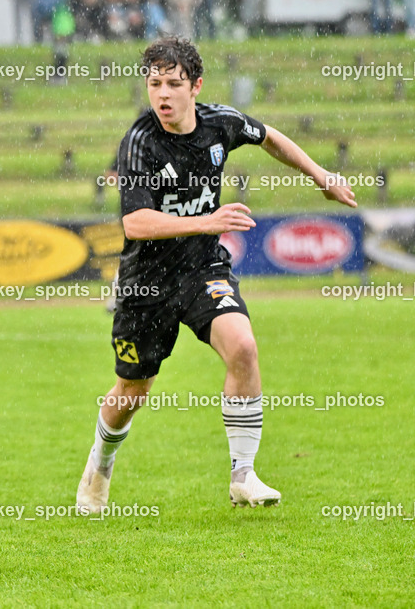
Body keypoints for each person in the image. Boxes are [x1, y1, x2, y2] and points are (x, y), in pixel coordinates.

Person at [75, 36, 356, 514]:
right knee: (133, 390)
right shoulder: (139, 142)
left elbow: (269, 137)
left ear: (195, 86)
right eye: (154, 83)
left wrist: (320, 175)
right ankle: (99, 467)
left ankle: (242, 475)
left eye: (173, 84)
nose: (162, 94)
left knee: (243, 348)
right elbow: (135, 224)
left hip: (202, 269)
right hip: (147, 281)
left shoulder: (220, 123)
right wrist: (209, 220)